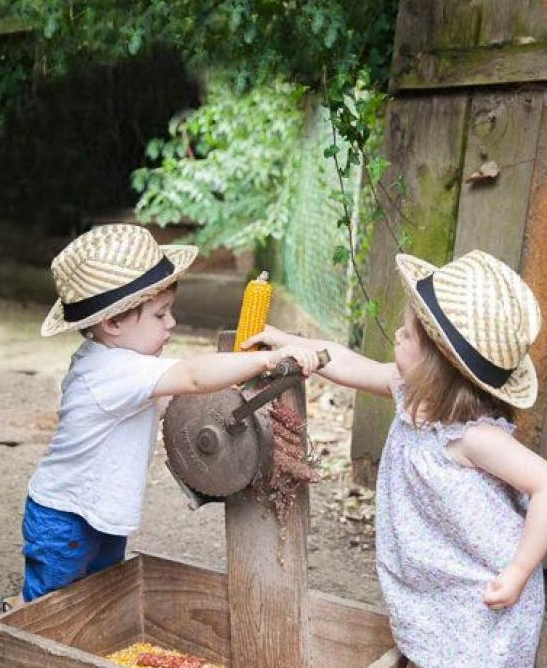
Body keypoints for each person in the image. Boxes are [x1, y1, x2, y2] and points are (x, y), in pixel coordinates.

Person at [242, 249, 547, 668]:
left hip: (487, 592)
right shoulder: (410, 397)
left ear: (440, 366)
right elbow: (345, 363)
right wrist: (294, 344)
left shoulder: (473, 438)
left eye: (409, 334)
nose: (396, 335)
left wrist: (522, 570)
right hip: (449, 587)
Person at [17, 223, 320, 604]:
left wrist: (226, 392)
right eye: (160, 315)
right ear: (112, 323)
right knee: (48, 607)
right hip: (65, 518)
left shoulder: (122, 365)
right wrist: (268, 359)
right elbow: (192, 377)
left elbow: (175, 401)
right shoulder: (112, 371)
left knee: (97, 601)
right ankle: (21, 645)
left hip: (100, 514)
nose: (172, 324)